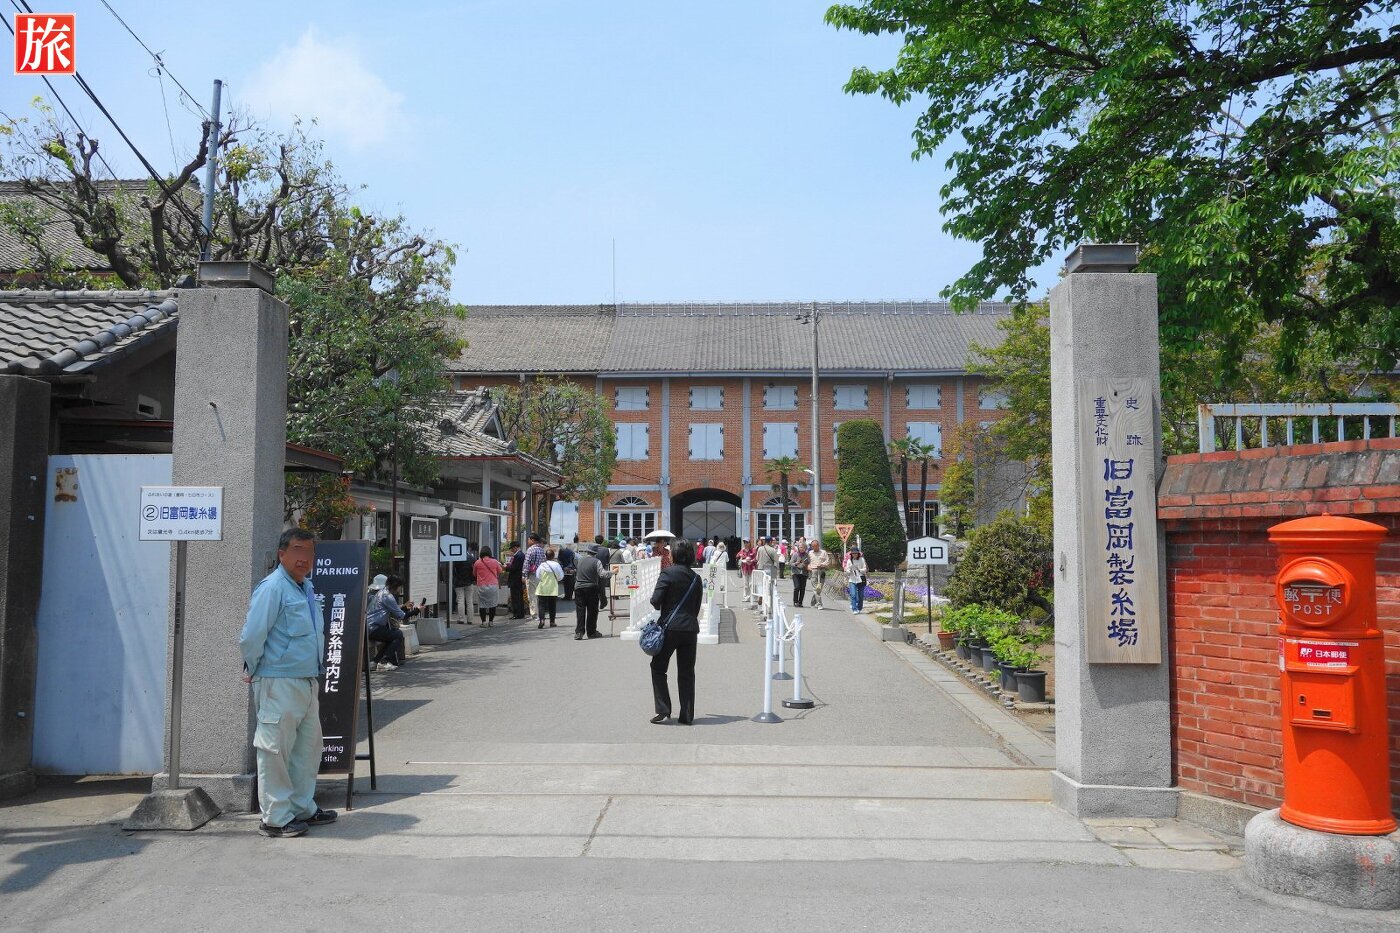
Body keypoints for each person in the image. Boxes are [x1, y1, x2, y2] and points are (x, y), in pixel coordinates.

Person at [238, 528, 337, 838]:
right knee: (275, 751)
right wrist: (253, 667)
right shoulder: (272, 588)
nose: (304, 558)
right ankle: (275, 818)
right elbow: (252, 635)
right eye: (297, 550)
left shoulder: (305, 587)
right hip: (278, 680)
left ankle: (301, 807)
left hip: (306, 680)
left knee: (307, 750)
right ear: (282, 554)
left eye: (309, 552)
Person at [647, 538, 704, 725]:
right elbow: (696, 606)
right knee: (687, 672)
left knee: (658, 667)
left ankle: (663, 708)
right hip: (690, 629)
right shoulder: (696, 578)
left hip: (670, 629)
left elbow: (656, 601)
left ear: (675, 554)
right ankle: (686, 715)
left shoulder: (667, 573)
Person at [366, 573, 413, 670]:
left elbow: (393, 609)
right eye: (400, 586)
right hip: (373, 628)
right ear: (396, 585)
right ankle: (384, 662)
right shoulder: (388, 596)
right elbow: (401, 616)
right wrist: (417, 610)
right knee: (398, 634)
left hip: (369, 626)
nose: (400, 588)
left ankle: (375, 662)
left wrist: (404, 607)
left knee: (391, 637)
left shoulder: (381, 592)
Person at [573, 545, 611, 639]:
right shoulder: (596, 561)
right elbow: (602, 574)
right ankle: (591, 632)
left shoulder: (580, 560)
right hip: (591, 587)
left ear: (587, 552)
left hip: (578, 587)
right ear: (595, 553)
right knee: (592, 611)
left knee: (580, 611)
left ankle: (579, 632)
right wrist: (612, 572)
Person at [535, 547, 564, 628]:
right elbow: (560, 576)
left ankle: (542, 620)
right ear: (553, 556)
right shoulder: (556, 565)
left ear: (545, 556)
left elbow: (537, 576)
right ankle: (552, 622)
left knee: (541, 605)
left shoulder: (542, 565)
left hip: (542, 587)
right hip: (552, 587)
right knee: (552, 605)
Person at [474, 546, 503, 626]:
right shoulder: (494, 561)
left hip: (481, 586)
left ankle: (484, 622)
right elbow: (500, 571)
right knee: (492, 604)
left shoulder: (477, 562)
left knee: (482, 604)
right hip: (493, 586)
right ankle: (491, 622)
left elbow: (474, 574)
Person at [523, 533, 546, 619]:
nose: (528, 541)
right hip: (540, 575)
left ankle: (534, 614)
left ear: (533, 540)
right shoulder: (541, 550)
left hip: (532, 575)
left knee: (532, 595)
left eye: (529, 539)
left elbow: (526, 564)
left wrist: (524, 576)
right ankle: (540, 613)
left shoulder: (530, 550)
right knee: (539, 595)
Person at [806, 540, 831, 610]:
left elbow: (827, 561)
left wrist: (822, 564)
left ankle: (814, 601)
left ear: (818, 545)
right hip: (813, 571)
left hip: (821, 571)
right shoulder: (810, 553)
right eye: (813, 546)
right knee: (816, 588)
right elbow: (807, 562)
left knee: (819, 588)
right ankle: (819, 604)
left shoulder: (823, 552)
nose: (814, 547)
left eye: (815, 546)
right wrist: (808, 567)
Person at [506, 542, 527, 619]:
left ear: (515, 547)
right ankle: (521, 613)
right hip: (519, 579)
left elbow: (514, 568)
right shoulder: (522, 555)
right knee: (519, 597)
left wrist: (506, 567)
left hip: (515, 579)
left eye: (512, 548)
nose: (511, 550)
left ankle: (517, 614)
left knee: (515, 597)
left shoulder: (518, 556)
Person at [846, 547, 869, 612]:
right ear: (851, 554)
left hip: (860, 579)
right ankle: (854, 609)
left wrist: (859, 570)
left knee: (860, 596)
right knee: (853, 595)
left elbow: (865, 569)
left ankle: (859, 608)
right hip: (852, 579)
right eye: (853, 553)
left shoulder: (862, 559)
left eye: (856, 553)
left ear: (858, 553)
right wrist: (849, 570)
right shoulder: (849, 560)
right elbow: (847, 570)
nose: (854, 554)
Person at [790, 541, 810, 608]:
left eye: (803, 547)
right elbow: (790, 563)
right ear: (798, 548)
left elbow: (809, 563)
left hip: (804, 573)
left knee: (802, 588)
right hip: (795, 573)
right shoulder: (795, 554)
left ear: (805, 548)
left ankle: (800, 602)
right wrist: (795, 564)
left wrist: (806, 564)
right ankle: (795, 601)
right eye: (800, 547)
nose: (802, 549)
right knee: (797, 587)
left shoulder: (807, 555)